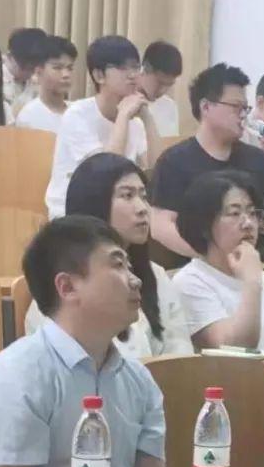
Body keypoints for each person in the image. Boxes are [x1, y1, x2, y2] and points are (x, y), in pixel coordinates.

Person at [0, 215, 177, 467]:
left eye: (130, 266)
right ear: (67, 287)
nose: (135, 280)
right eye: (118, 265)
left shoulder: (139, 380)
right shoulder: (16, 376)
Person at [25, 153, 192, 359]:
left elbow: (182, 358)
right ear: (94, 202)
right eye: (127, 196)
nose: (143, 209)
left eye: (144, 197)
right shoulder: (63, 289)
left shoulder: (156, 276)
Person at [151, 63, 264, 258]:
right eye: (236, 107)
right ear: (206, 107)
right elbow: (160, 226)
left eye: (245, 108)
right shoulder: (175, 161)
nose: (243, 115)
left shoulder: (255, 158)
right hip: (197, 264)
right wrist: (210, 258)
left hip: (252, 261)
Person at [172, 170, 264, 353]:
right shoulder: (190, 282)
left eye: (252, 213)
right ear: (204, 225)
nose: (248, 223)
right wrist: (251, 283)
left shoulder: (262, 276)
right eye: (234, 213)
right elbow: (235, 349)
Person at [45, 35, 163, 219]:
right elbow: (104, 176)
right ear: (99, 75)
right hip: (73, 213)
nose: (133, 75)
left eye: (135, 67)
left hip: (119, 211)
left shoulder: (135, 121)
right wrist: (123, 116)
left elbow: (157, 173)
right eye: (123, 68)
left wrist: (147, 117)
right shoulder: (77, 115)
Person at [15, 35, 77, 134]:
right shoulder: (29, 116)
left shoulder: (78, 111)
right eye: (57, 68)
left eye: (70, 68)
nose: (66, 74)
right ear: (39, 72)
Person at [137, 40, 183, 137]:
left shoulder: (169, 106)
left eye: (169, 85)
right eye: (160, 83)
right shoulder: (122, 102)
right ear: (146, 68)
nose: (163, 91)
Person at [3, 27, 47, 115]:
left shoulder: (36, 81)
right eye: (26, 68)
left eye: (33, 69)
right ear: (10, 57)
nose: (30, 73)